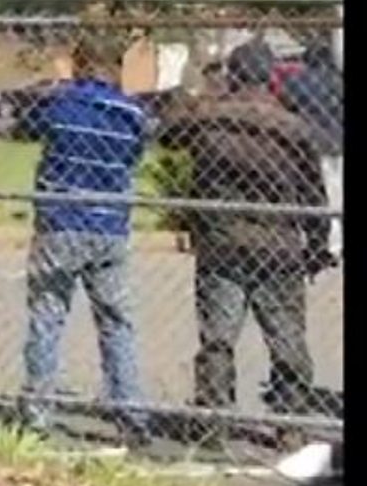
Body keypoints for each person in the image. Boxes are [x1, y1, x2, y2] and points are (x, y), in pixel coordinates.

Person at [157, 41, 332, 431]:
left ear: (233, 75)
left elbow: (167, 135)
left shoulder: (210, 116)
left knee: (218, 336)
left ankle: (214, 416)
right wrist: (318, 245)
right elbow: (312, 192)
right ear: (271, 77)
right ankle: (291, 420)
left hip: (222, 239)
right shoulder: (291, 126)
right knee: (286, 337)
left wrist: (193, 96)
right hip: (278, 241)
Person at [21, 38, 152, 444]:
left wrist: (54, 83)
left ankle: (38, 413)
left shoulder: (61, 104)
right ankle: (131, 413)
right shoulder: (131, 112)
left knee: (47, 316)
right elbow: (133, 157)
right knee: (116, 322)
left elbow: (23, 125)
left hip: (60, 221)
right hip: (109, 224)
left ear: (78, 65)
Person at [279, 41, 343, 260]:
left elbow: (285, 104)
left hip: (306, 143)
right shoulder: (337, 81)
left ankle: (315, 241)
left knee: (309, 194)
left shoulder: (296, 81)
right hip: (337, 142)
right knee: (336, 193)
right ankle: (336, 243)